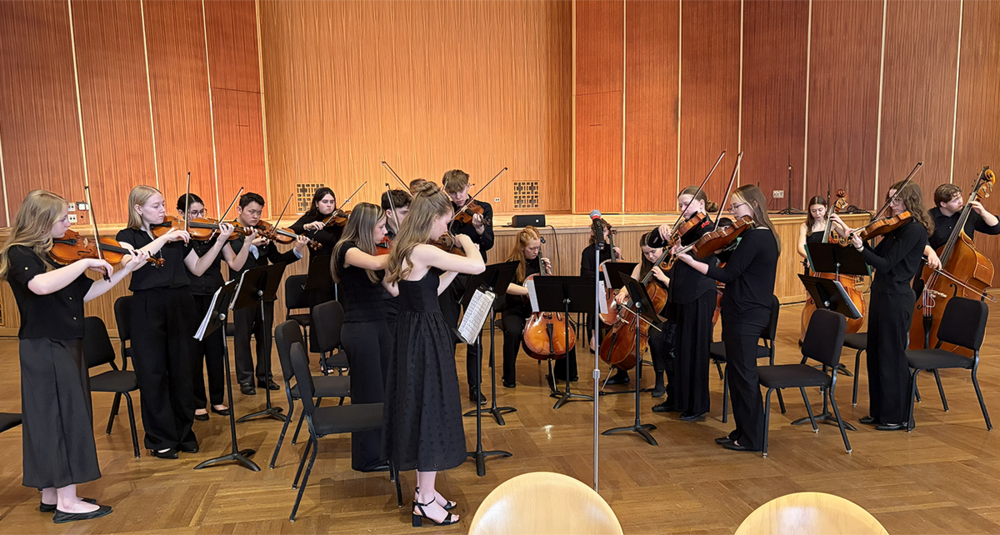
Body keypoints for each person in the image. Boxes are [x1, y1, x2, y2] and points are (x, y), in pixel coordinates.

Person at [0, 190, 148, 523]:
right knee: (60, 418)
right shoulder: (19, 253)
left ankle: (52, 494)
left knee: (60, 416)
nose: (70, 224)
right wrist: (85, 262)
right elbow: (39, 286)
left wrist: (124, 271)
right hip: (45, 346)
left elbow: (88, 292)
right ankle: (68, 501)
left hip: (66, 342)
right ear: (42, 221)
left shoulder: (55, 254)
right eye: (64, 218)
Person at [382, 189, 485, 527]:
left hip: (413, 332)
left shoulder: (408, 249)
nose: (447, 227)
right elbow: (478, 265)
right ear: (431, 218)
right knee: (431, 410)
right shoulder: (424, 250)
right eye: (445, 220)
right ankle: (424, 500)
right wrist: (468, 241)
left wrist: (450, 266)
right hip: (425, 338)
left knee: (424, 407)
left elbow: (425, 290)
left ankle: (425, 490)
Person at [117, 186, 238, 459]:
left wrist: (219, 242)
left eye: (162, 205)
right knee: (154, 373)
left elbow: (197, 268)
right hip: (147, 306)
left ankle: (185, 433)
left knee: (183, 369)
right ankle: (160, 437)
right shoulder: (127, 236)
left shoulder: (177, 235)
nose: (163, 210)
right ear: (138, 209)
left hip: (180, 303)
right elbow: (131, 262)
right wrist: (165, 239)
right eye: (156, 206)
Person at [676, 185, 780, 451]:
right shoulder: (750, 235)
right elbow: (733, 259)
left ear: (754, 206)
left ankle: (753, 438)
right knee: (736, 375)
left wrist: (690, 260)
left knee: (744, 376)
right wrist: (716, 246)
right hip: (739, 312)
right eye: (732, 207)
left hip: (748, 314)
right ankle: (741, 431)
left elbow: (727, 275)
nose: (733, 213)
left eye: (737, 207)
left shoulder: (758, 236)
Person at [849, 181, 932, 431]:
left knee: (891, 357)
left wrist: (861, 248)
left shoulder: (914, 230)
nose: (892, 205)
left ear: (910, 201)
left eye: (896, 200)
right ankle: (880, 412)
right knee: (875, 355)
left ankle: (897, 416)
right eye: (890, 199)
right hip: (882, 295)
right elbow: (877, 256)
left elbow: (885, 265)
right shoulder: (895, 229)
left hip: (897, 299)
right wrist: (856, 239)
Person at [176, 194, 252, 421]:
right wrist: (218, 242)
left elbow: (235, 264)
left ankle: (218, 399)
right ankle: (198, 402)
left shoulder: (216, 233)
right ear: (181, 214)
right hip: (191, 297)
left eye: (202, 211)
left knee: (216, 350)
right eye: (194, 213)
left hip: (215, 295)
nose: (201, 217)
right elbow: (197, 269)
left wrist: (246, 242)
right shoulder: (182, 239)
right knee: (194, 351)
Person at [647, 187, 719, 420]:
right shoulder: (684, 228)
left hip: (699, 294)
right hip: (679, 294)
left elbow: (704, 256)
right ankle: (676, 398)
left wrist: (684, 248)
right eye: (680, 205)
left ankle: (697, 405)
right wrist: (659, 232)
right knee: (671, 346)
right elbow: (652, 242)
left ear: (701, 205)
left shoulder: (710, 229)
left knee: (693, 351)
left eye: (686, 204)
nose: (682, 210)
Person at [331, 202, 392, 472]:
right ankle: (366, 458)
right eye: (381, 226)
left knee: (383, 391)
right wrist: (408, 248)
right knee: (368, 394)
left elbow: (393, 288)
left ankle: (383, 448)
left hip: (379, 325)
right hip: (360, 329)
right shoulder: (347, 249)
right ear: (367, 227)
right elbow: (378, 261)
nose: (386, 231)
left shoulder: (374, 251)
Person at [228, 192, 309, 395]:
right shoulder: (231, 234)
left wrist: (297, 249)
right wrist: (250, 246)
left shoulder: (264, 231)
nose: (256, 217)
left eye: (259, 212)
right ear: (239, 210)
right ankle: (245, 380)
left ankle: (265, 376)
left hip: (265, 289)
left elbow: (277, 259)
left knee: (265, 334)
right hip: (242, 290)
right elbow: (234, 264)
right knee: (242, 336)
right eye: (251, 212)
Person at [439, 169, 495, 404]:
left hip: (473, 276)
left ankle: (475, 386)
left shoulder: (483, 208)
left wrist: (481, 230)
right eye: (452, 192)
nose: (458, 196)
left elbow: (488, 243)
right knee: (448, 332)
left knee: (475, 334)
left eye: (461, 191)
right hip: (448, 276)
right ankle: (447, 384)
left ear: (469, 186)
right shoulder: (442, 209)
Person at [606, 233, 673, 400]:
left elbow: (679, 289)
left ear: (663, 248)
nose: (650, 256)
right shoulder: (641, 267)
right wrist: (622, 293)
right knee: (623, 330)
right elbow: (630, 284)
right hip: (643, 313)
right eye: (646, 253)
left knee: (656, 339)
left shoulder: (672, 267)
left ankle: (659, 380)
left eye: (653, 251)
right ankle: (622, 371)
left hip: (665, 316)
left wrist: (664, 279)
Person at [499, 226, 554, 388]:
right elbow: (505, 286)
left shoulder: (540, 263)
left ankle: (565, 374)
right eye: (532, 248)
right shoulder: (512, 263)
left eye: (538, 248)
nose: (536, 251)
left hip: (537, 310)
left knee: (565, 329)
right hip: (514, 308)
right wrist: (527, 291)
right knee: (514, 332)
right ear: (522, 248)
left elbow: (549, 289)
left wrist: (549, 273)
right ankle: (508, 377)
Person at [581, 218, 622, 383]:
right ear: (592, 233)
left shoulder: (612, 250)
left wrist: (619, 257)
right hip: (596, 287)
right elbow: (585, 274)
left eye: (605, 231)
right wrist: (602, 275)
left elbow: (621, 273)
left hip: (612, 290)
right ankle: (594, 335)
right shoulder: (588, 252)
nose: (602, 235)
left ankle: (619, 335)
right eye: (599, 232)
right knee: (595, 297)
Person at [923, 183, 1000, 267]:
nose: (961, 201)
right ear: (943, 204)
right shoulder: (928, 217)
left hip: (961, 267)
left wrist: (983, 213)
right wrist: (930, 253)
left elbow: (996, 229)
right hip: (932, 266)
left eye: (960, 197)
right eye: (955, 200)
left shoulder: (968, 214)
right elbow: (921, 240)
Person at [381, 188, 412, 333]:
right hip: (387, 303)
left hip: (406, 299)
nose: (408, 217)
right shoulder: (380, 238)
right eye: (404, 213)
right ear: (389, 213)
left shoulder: (407, 235)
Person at [289, 187, 344, 258]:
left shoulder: (339, 220)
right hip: (318, 262)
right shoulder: (309, 218)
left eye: (332, 202)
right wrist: (306, 226)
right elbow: (290, 231)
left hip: (339, 262)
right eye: (325, 201)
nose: (329, 205)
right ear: (316, 203)